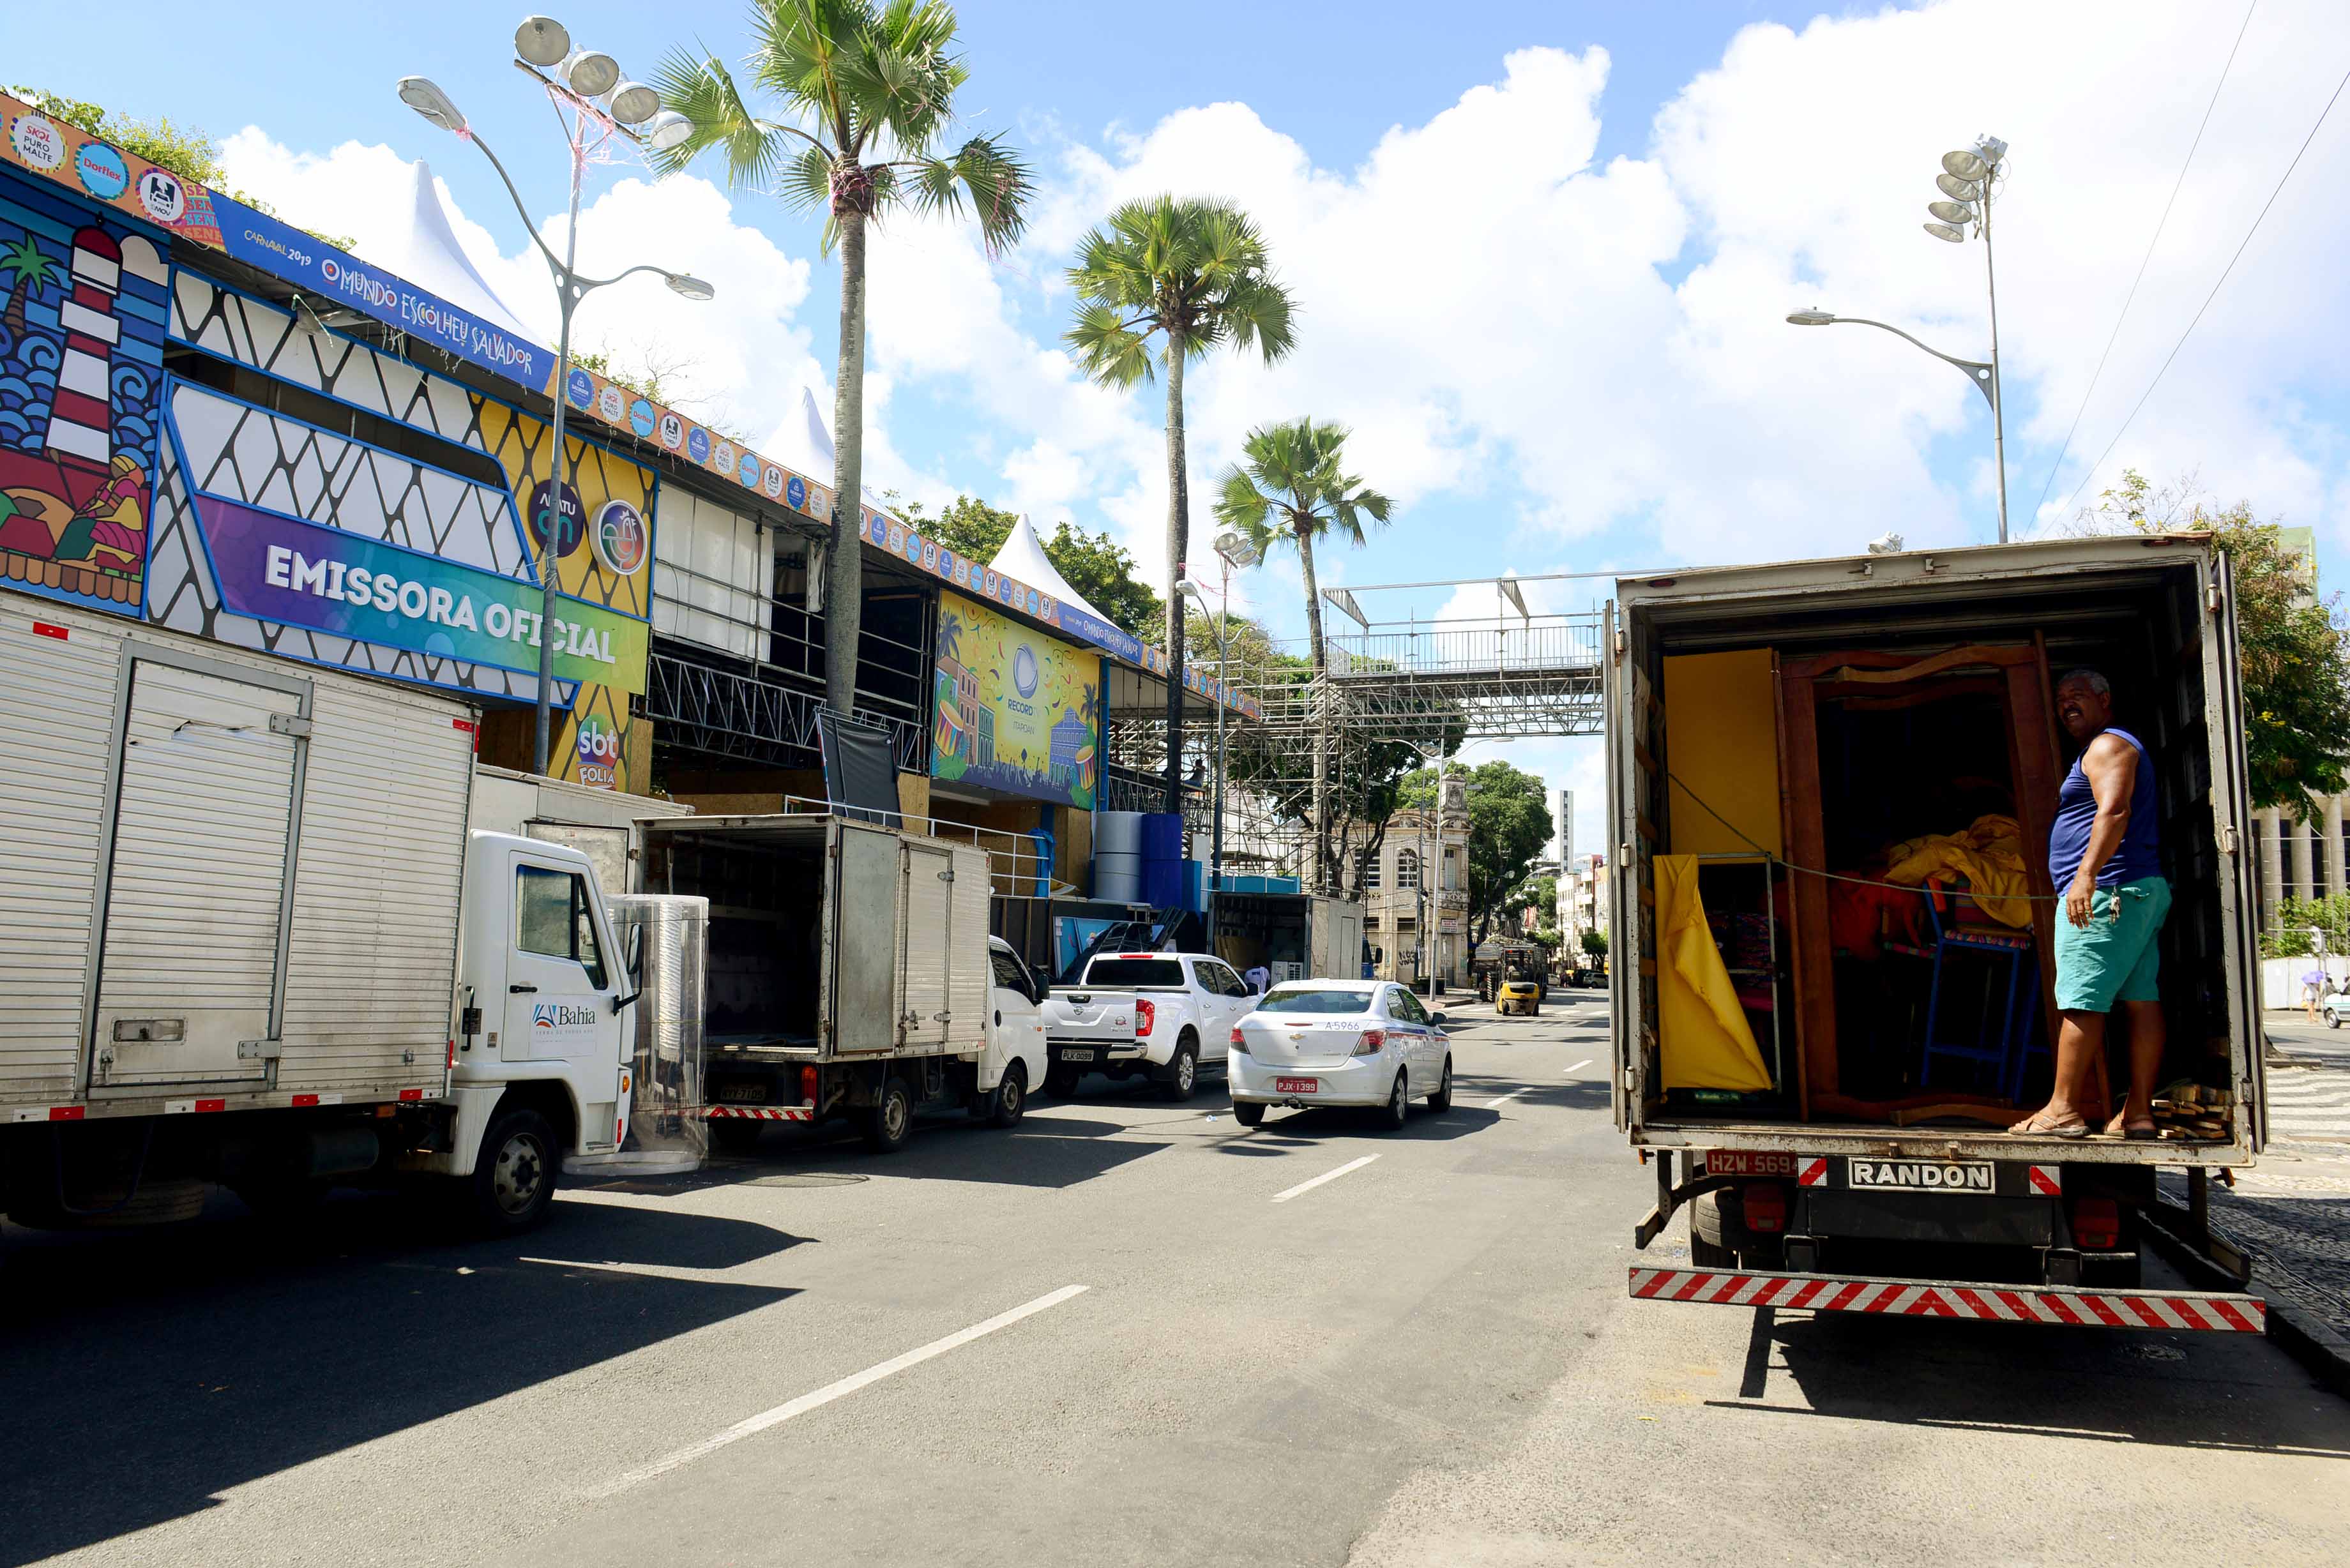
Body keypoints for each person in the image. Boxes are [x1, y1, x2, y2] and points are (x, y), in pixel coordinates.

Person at [2012, 670, 2172, 1139]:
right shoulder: (2102, 747)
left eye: (2077, 696)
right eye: (2061, 700)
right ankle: (2138, 1114)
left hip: (2110, 893)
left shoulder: (2108, 746)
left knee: (2083, 999)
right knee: (2142, 1000)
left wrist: (2085, 877)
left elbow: (2115, 810)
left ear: (2105, 699)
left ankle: (2062, 1110)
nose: (2067, 706)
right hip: (2134, 890)